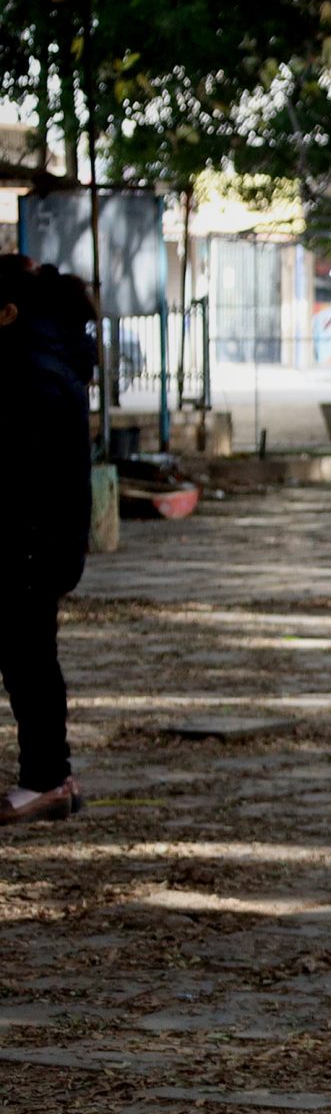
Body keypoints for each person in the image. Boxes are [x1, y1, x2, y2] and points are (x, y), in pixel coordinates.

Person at [1, 257, 97, 828]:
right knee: (28, 660)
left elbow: (23, 475)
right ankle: (48, 777)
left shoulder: (31, 373)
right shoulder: (39, 360)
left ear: (8, 313)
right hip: (34, 542)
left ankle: (48, 780)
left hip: (28, 546)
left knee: (29, 662)